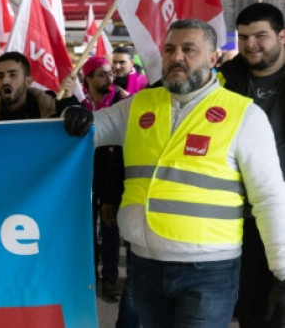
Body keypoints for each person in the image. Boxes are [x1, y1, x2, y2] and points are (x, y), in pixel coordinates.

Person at [63, 19, 285, 328]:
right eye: (169, 49)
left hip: (209, 270)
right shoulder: (138, 105)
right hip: (145, 265)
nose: (176, 57)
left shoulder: (245, 115)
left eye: (189, 49)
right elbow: (88, 129)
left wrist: (281, 268)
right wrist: (71, 112)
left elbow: (269, 197)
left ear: (213, 58)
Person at [219, 2, 285, 328]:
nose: (251, 44)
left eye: (260, 36)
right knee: (252, 308)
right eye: (243, 37)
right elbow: (165, 94)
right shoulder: (224, 78)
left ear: (281, 37)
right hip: (242, 213)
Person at [80, 56, 128, 303]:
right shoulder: (80, 104)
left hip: (112, 176)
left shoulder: (123, 101)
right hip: (84, 176)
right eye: (102, 74)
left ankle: (110, 279)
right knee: (85, 230)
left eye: (110, 73)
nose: (109, 77)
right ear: (88, 79)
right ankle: (89, 277)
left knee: (110, 229)